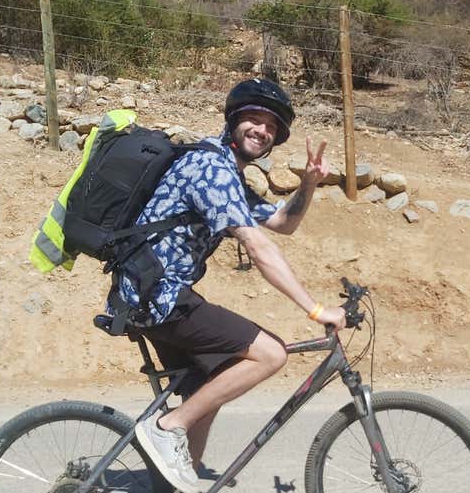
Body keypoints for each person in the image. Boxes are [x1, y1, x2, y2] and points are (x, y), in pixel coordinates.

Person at [112, 78, 346, 493]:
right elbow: (259, 247)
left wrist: (309, 182)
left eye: (271, 126)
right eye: (253, 120)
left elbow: (282, 224)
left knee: (209, 386)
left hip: (156, 291)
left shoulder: (229, 172)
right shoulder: (214, 170)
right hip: (158, 295)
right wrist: (315, 309)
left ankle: (176, 469)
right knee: (270, 353)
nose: (261, 130)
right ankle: (168, 428)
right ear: (235, 121)